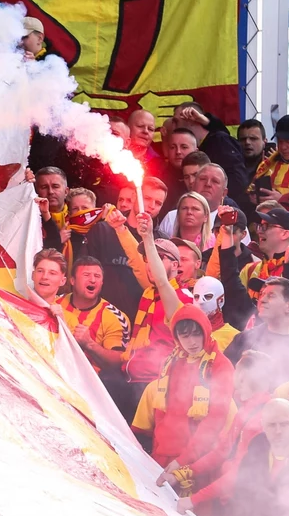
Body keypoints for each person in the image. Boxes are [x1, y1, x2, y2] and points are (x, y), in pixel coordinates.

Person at [161, 351, 275, 516]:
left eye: (237, 370)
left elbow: (240, 474)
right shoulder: (246, 410)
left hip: (245, 509)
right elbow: (221, 451)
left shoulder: (259, 420)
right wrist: (184, 472)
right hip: (233, 500)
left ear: (243, 375)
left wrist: (194, 499)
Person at [131, 305, 235, 467]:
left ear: (206, 331)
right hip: (162, 456)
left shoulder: (221, 366)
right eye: (184, 336)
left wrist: (183, 461)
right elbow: (161, 413)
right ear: (176, 337)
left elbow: (214, 422)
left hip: (197, 461)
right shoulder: (170, 362)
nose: (191, 342)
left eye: (196, 334)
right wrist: (157, 452)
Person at [114, 214, 194, 418]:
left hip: (157, 386)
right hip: (132, 379)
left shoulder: (182, 298)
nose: (151, 263)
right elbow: (135, 260)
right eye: (149, 258)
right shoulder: (149, 294)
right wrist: (122, 230)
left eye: (160, 258)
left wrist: (148, 238)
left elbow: (162, 281)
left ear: (176, 266)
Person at [86, 178, 168, 318]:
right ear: (134, 197)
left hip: (141, 321)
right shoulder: (103, 230)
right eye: (147, 198)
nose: (152, 206)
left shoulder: (162, 242)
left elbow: (161, 287)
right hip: (100, 317)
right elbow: (86, 273)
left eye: (158, 203)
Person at [58, 256, 131, 380]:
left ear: (102, 282)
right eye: (86, 275)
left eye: (97, 276)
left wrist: (89, 344)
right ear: (72, 280)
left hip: (91, 383)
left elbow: (117, 362)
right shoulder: (55, 303)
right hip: (54, 373)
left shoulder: (115, 316)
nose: (92, 280)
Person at [169, 103, 250, 208]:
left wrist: (214, 198)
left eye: (176, 121)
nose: (173, 126)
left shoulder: (220, 140)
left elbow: (239, 180)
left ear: (190, 119)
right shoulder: (209, 141)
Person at [226, 278, 289, 382]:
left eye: (271, 295)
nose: (262, 300)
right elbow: (222, 378)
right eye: (262, 294)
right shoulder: (243, 339)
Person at [235, 208, 289, 302]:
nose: (259, 231)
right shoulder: (250, 269)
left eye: (266, 226)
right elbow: (237, 307)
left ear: (285, 234)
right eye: (260, 226)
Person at [158, 163, 230, 238]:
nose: (208, 184)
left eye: (215, 181)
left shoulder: (232, 223)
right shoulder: (171, 217)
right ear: (193, 185)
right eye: (203, 179)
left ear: (224, 193)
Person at [251, 114, 289, 205]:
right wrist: (255, 197)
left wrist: (282, 199)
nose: (283, 147)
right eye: (280, 141)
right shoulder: (267, 164)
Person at [190, 276, 242, 352]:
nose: (201, 301)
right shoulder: (185, 334)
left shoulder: (235, 337)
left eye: (207, 296)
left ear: (220, 301)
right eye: (196, 296)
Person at [157, 128, 200, 218]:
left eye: (184, 147)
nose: (178, 152)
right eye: (173, 147)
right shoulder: (158, 179)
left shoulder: (207, 177)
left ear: (196, 151)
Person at [34, 166, 70, 235]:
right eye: (44, 187)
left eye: (55, 186)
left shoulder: (77, 217)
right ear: (36, 192)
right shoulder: (30, 220)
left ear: (66, 192)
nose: (50, 192)